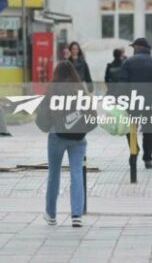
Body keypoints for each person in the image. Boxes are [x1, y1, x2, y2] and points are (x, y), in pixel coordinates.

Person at [36, 61, 96, 227]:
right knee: (76, 173)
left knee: (54, 174)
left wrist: (46, 126)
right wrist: (83, 128)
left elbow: (43, 113)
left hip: (57, 135)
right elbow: (92, 115)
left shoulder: (52, 89)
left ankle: (51, 214)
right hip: (78, 138)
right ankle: (76, 215)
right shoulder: (80, 90)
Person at [119, 37, 152, 169]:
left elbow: (122, 84)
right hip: (150, 101)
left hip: (132, 101)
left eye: (133, 47)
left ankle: (134, 151)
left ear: (138, 47)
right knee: (148, 130)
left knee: (131, 128)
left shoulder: (128, 62)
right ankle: (148, 159)